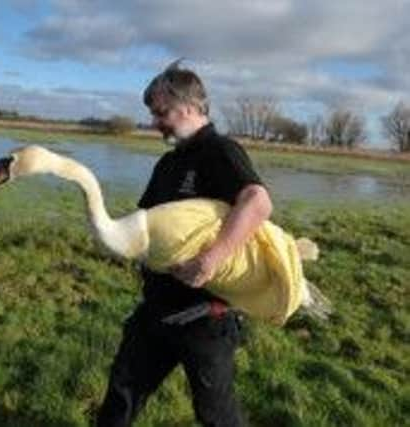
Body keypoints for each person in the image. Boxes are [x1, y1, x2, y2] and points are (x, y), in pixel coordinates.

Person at [96, 60, 273, 427]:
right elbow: (146, 222)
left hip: (205, 317)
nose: (154, 121)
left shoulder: (220, 152)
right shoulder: (167, 164)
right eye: (152, 113)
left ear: (191, 107)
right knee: (121, 395)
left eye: (161, 112)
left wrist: (211, 259)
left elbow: (257, 202)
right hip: (157, 307)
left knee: (216, 416)